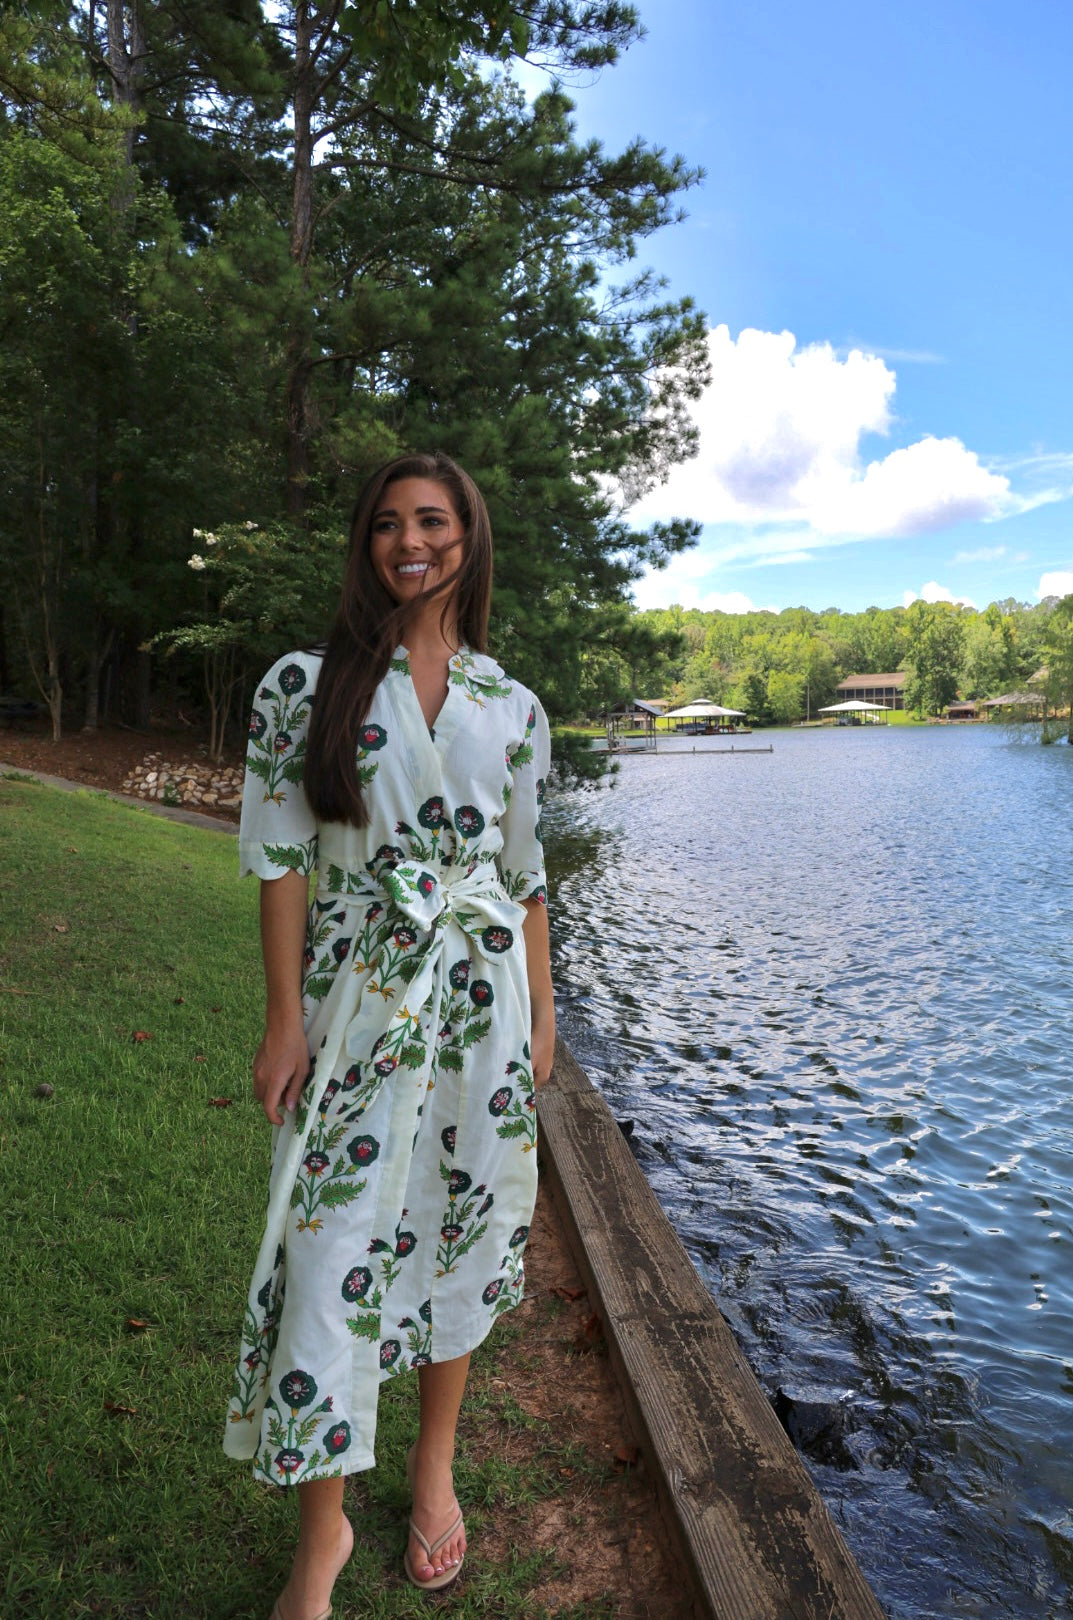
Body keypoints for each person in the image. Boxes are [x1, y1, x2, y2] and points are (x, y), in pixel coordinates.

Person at [223, 452, 554, 1618]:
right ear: (366, 547)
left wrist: (544, 1025)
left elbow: (523, 882)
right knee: (327, 1248)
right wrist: (281, 1022)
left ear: (470, 535)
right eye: (385, 525)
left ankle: (432, 1466)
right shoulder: (305, 686)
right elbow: (278, 861)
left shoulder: (514, 708)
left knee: (462, 1234)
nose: (407, 542)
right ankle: (324, 1532)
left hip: (480, 1009)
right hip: (356, 1002)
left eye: (432, 520)